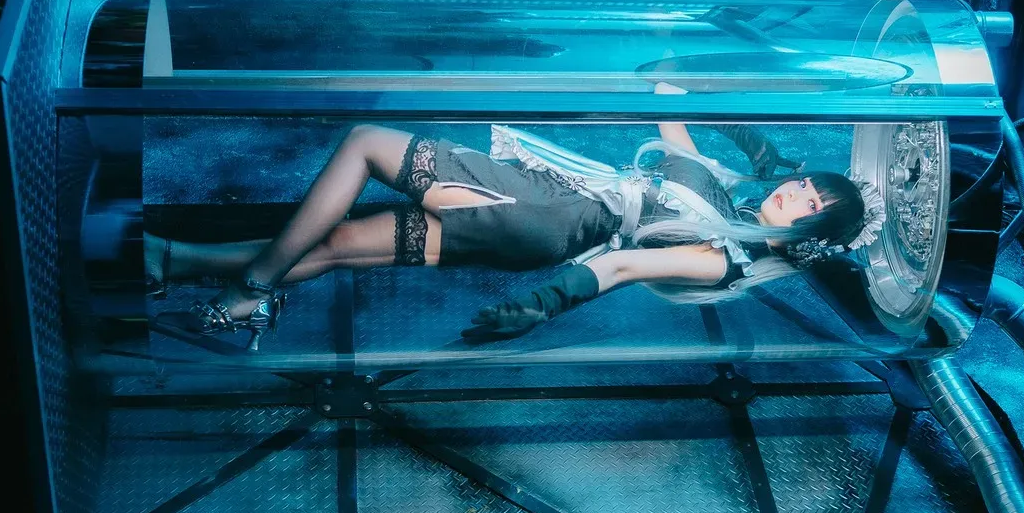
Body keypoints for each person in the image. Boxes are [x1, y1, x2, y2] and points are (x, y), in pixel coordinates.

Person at [146, 107, 882, 350]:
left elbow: (623, 267)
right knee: (339, 246)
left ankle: (252, 292)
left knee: (365, 141)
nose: (797, 193)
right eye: (805, 183)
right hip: (539, 218)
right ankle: (173, 260)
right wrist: (761, 148)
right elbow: (671, 99)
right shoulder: (724, 204)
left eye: (812, 203)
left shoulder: (727, 261)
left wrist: (543, 305)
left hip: (539, 210)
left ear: (812, 235)